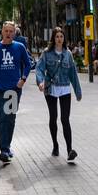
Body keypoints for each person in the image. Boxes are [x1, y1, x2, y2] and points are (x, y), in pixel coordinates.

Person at [0, 21, 33, 163]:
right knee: (2, 118)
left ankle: (7, 147)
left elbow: (28, 65)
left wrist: (23, 79)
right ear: (2, 32)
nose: (8, 33)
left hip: (15, 89)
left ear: (14, 33)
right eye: (6, 31)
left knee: (11, 118)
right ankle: (3, 149)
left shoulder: (20, 47)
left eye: (11, 31)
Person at [36, 27, 83, 161]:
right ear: (53, 38)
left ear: (64, 38)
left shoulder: (68, 54)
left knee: (65, 119)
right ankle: (55, 145)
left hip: (65, 89)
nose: (59, 39)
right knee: (53, 117)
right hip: (50, 89)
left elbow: (73, 74)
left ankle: (69, 150)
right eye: (57, 36)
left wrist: (78, 91)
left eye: (61, 36)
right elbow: (39, 68)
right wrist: (40, 82)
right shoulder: (47, 53)